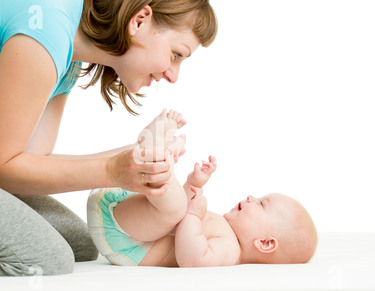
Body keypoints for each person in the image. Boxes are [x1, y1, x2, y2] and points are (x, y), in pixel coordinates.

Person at [0, 0, 218, 276]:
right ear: (139, 21)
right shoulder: (45, 33)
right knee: (47, 259)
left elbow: (26, 165)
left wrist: (134, 156)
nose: (173, 76)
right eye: (176, 54)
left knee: (80, 243)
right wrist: (111, 171)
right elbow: (4, 169)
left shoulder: (68, 58)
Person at [87, 110, 318, 267]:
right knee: (172, 202)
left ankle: (157, 155)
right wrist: (193, 185)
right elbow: (178, 218)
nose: (251, 196)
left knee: (176, 208)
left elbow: (191, 259)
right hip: (128, 209)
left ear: (265, 243)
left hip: (128, 241)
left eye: (261, 204)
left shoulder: (230, 252)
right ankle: (150, 154)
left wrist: (192, 214)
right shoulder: (225, 230)